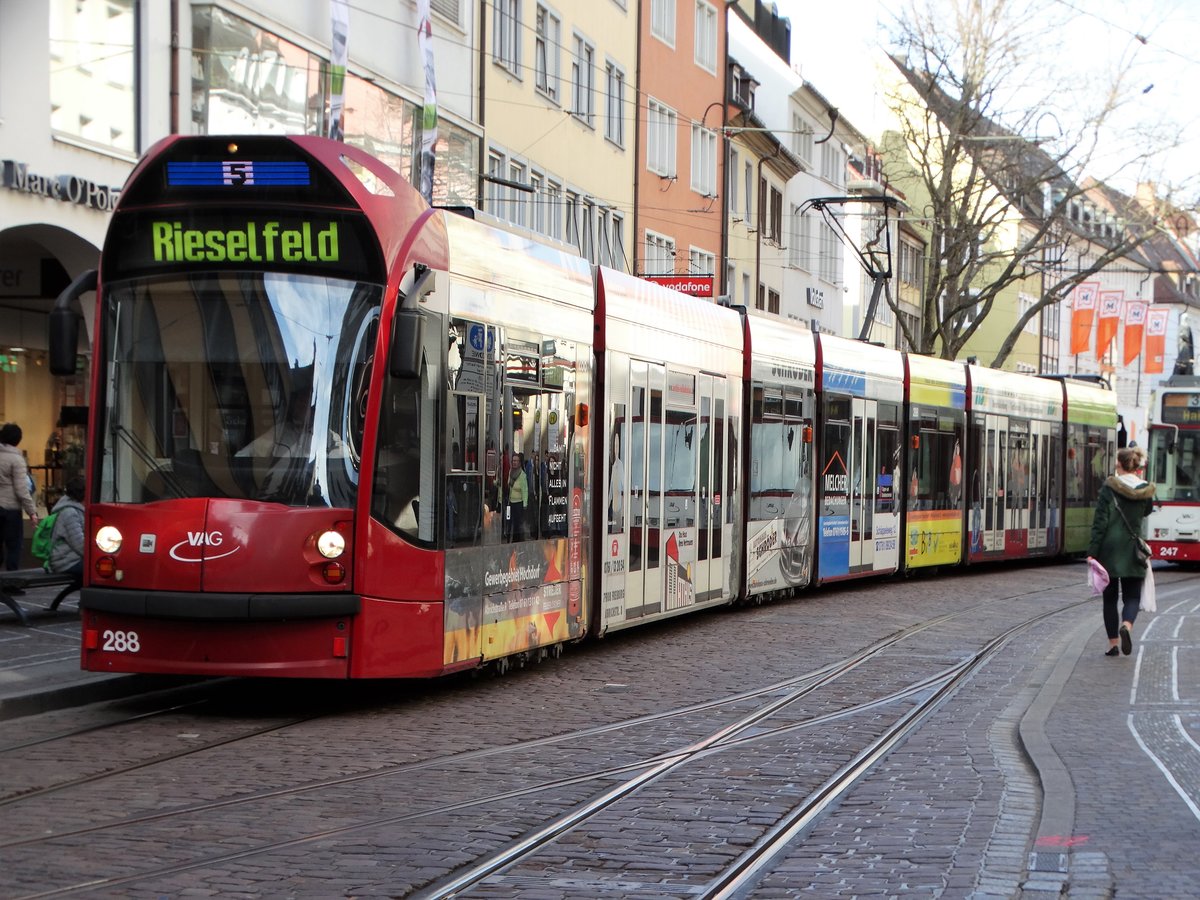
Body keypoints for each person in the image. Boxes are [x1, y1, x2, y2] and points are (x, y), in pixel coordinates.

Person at [1088, 447, 1155, 657]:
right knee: (1132, 597)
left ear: (1119, 464)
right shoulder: (1145, 490)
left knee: (1109, 599)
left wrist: (1092, 551)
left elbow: (1100, 523)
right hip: (1134, 551)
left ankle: (1113, 644)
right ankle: (1126, 625)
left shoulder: (1109, 488)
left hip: (1109, 551)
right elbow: (1147, 511)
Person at [0, 423, 39, 571]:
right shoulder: (17, 460)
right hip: (10, 509)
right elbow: (21, 489)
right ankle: (12, 579)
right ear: (18, 439)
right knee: (14, 547)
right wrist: (32, 512)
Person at [47, 475, 86, 577]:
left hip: (71, 559)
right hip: (66, 562)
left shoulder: (76, 510)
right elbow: (80, 545)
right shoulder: (69, 513)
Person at [508, 453, 528, 542]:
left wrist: (525, 504)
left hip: (519, 503)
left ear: (519, 463)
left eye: (516, 461)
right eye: (513, 461)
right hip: (511, 502)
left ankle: (517, 541)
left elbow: (525, 490)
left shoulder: (522, 475)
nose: (514, 462)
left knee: (518, 524)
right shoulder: (510, 472)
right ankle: (510, 540)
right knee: (510, 522)